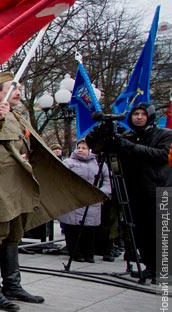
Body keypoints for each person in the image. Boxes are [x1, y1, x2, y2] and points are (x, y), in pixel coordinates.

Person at [0, 73, 43, 309]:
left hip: (16, 182)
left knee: (14, 232)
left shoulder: (19, 116)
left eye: (19, 88)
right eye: (13, 88)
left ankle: (12, 284)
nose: (18, 92)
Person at [115, 104, 172, 280]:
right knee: (142, 233)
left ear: (151, 116)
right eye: (135, 114)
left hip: (158, 189)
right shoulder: (128, 136)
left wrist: (132, 147)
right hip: (134, 191)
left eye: (143, 114)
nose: (139, 117)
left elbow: (163, 155)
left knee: (160, 232)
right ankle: (150, 266)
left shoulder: (165, 134)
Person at [59, 140, 110, 263]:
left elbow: (107, 180)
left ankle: (89, 253)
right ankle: (75, 253)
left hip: (92, 201)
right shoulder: (68, 162)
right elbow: (61, 179)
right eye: (79, 147)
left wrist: (101, 193)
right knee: (72, 229)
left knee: (89, 230)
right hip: (73, 201)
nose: (80, 150)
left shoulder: (99, 164)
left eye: (84, 148)